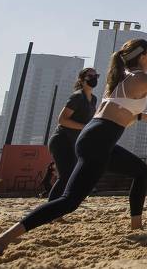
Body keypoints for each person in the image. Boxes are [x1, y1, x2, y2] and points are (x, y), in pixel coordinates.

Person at [0, 39, 147, 256]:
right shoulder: (144, 80)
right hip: (99, 140)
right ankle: (2, 238)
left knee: (141, 171)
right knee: (69, 201)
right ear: (142, 56)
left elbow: (121, 115)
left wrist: (143, 116)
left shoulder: (120, 79)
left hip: (96, 137)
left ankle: (136, 226)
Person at [47, 68, 99, 201]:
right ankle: (50, 209)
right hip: (61, 141)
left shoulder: (93, 99)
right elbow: (62, 119)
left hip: (75, 142)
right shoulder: (77, 96)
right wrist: (84, 127)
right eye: (90, 75)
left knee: (72, 177)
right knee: (65, 177)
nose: (94, 78)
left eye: (96, 75)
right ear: (82, 79)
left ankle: (58, 207)